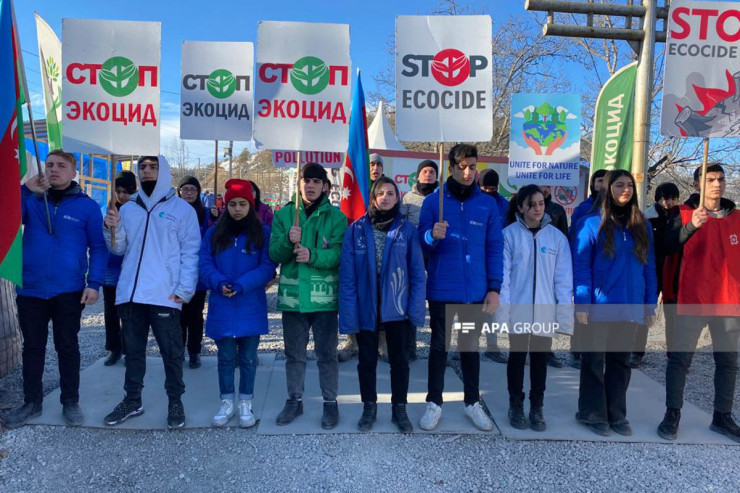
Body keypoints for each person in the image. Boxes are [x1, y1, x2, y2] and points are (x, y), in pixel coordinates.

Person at [3, 150, 107, 429]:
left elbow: (98, 247)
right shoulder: (31, 199)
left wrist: (94, 284)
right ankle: (31, 402)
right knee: (33, 348)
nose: (53, 170)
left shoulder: (86, 207)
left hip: (68, 290)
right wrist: (26, 189)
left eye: (61, 165)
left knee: (68, 346)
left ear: (73, 173)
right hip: (31, 289)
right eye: (49, 165)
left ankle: (70, 401)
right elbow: (7, 215)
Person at [102, 156, 201, 429]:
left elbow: (191, 252)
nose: (146, 172)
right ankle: (133, 400)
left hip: (164, 294)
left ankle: (175, 401)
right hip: (131, 294)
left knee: (171, 352)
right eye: (143, 167)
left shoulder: (182, 210)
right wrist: (113, 227)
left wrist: (185, 289)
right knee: (133, 352)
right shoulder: (129, 208)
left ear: (164, 171)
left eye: (153, 167)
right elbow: (118, 249)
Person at [417, 143, 503, 432]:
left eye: (472, 166)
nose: (468, 172)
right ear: (451, 168)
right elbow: (420, 246)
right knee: (439, 347)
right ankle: (434, 402)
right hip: (442, 288)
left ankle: (471, 402)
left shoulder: (487, 204)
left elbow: (494, 247)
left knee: (469, 347)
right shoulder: (433, 202)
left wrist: (494, 287)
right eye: (462, 167)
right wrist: (432, 235)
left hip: (475, 292)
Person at [658, 164, 740, 443]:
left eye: (720, 179)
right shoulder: (682, 213)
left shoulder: (737, 218)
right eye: (710, 179)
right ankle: (672, 414)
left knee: (728, 363)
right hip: (692, 298)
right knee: (680, 360)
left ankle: (722, 416)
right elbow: (667, 247)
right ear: (696, 185)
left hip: (729, 301)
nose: (717, 184)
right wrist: (692, 225)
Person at [573, 169, 657, 437]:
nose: (626, 190)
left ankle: (616, 414)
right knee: (594, 362)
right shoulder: (590, 224)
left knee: (621, 363)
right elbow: (581, 267)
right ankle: (592, 412)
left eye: (630, 185)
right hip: (600, 305)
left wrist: (649, 304)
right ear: (607, 189)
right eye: (619, 185)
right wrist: (583, 303)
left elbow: (649, 267)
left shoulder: (641, 225)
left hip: (630, 306)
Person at [339, 177, 426, 433]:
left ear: (397, 198)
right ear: (373, 198)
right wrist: (348, 313)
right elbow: (347, 277)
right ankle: (369, 407)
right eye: (381, 193)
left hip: (396, 305)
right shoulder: (356, 230)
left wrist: (415, 310)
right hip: (367, 304)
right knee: (367, 360)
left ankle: (399, 408)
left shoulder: (407, 230)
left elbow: (417, 273)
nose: (386, 197)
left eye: (391, 193)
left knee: (399, 361)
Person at [269, 163, 348, 429]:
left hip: (324, 299)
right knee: (294, 354)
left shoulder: (337, 218)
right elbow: (274, 255)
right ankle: (294, 400)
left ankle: (330, 402)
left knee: (327, 354)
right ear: (298, 184)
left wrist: (313, 255)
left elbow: (339, 255)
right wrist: (287, 241)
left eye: (316, 181)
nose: (311, 185)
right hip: (293, 298)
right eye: (306, 180)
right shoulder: (284, 215)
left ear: (325, 186)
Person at [200, 179, 276, 428]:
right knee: (224, 357)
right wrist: (218, 282)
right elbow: (204, 264)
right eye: (232, 204)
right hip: (222, 304)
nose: (237, 209)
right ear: (226, 205)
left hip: (249, 304)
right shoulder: (214, 232)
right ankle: (226, 401)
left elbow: (267, 267)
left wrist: (242, 284)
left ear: (251, 205)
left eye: (243, 203)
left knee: (248, 358)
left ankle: (246, 402)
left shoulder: (262, 232)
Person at [498, 185, 573, 432]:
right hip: (518, 308)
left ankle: (537, 405)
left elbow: (563, 280)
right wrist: (504, 311)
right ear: (520, 207)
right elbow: (504, 278)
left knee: (540, 359)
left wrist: (563, 313)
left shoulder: (556, 238)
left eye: (541, 203)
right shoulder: (508, 235)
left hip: (544, 310)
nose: (538, 209)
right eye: (532, 204)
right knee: (517, 357)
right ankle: (515, 402)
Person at [630, 182, 680, 368]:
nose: (668, 202)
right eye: (665, 198)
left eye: (673, 198)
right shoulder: (647, 218)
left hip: (673, 268)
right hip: (653, 267)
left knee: (673, 313)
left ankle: (673, 353)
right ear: (658, 199)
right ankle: (637, 351)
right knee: (646, 309)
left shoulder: (679, 217)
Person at [568, 170, 607, 370]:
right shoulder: (583, 208)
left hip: (605, 271)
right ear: (593, 184)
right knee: (582, 308)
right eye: (599, 181)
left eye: (605, 181)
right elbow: (575, 234)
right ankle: (576, 349)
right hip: (584, 262)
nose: (602, 185)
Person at [103, 171, 137, 366]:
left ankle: (129, 348)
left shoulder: (136, 211)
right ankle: (114, 349)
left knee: (129, 314)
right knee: (111, 312)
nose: (122, 195)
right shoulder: (109, 210)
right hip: (110, 271)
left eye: (126, 191)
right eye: (118, 191)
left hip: (129, 270)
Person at [478, 168, 511, 365]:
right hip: (474, 258)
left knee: (491, 305)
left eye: (493, 188)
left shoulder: (504, 206)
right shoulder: (474, 201)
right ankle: (464, 346)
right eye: (485, 187)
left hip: (495, 258)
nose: (489, 191)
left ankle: (492, 346)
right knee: (469, 307)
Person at [177, 176, 210, 369]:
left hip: (198, 272)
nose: (189, 193)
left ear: (198, 193)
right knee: (179, 314)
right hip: (178, 271)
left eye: (193, 190)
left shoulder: (205, 214)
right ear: (179, 191)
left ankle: (195, 351)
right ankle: (179, 349)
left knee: (196, 315)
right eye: (185, 189)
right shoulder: (173, 211)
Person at [400, 159, 439, 227]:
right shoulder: (407, 197)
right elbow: (401, 221)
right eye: (424, 172)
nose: (428, 175)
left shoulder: (442, 197)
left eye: (432, 172)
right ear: (418, 176)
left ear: (436, 177)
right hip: (413, 236)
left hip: (435, 236)